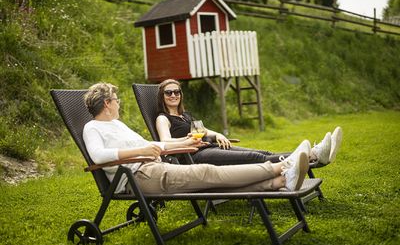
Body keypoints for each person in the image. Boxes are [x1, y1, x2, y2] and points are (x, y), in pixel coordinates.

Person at [83, 82, 312, 195]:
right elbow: (98, 156)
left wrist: (184, 142)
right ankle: (282, 166)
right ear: (106, 103)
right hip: (137, 176)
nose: (118, 102)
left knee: (208, 183)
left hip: (152, 166)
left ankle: (280, 182)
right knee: (206, 173)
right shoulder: (92, 127)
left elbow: (152, 144)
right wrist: (138, 153)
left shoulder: (118, 124)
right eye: (116, 99)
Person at [156, 79, 343, 166]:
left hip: (210, 146)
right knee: (254, 159)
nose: (173, 95)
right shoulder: (163, 118)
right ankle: (313, 156)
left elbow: (203, 130)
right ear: (162, 97)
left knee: (261, 152)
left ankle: (313, 154)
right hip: (195, 156)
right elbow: (164, 142)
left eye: (177, 92)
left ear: (181, 95)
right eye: (168, 92)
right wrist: (187, 142)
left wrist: (218, 134)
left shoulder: (185, 115)